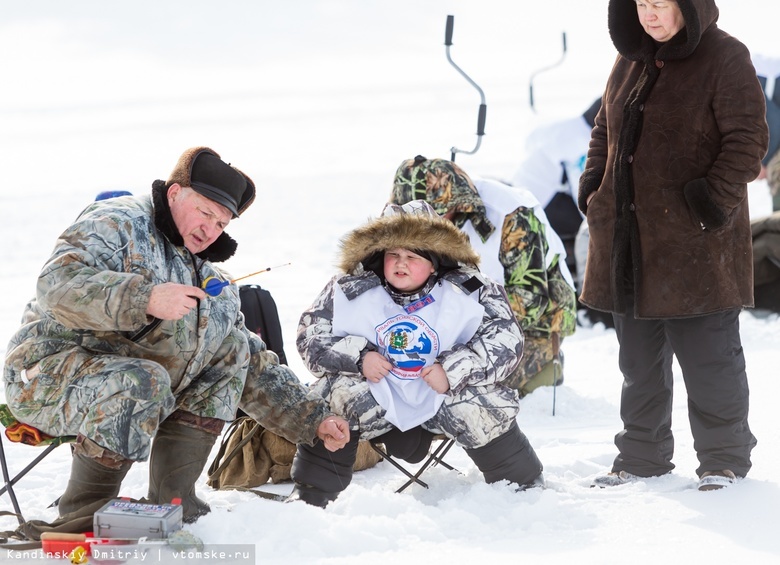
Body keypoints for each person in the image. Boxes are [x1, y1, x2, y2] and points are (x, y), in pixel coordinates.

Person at [2, 146, 350, 523]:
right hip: (43, 376)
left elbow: (250, 363)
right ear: (173, 194)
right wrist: (144, 297)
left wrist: (313, 417)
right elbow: (55, 286)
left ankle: (173, 503)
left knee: (230, 349)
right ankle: (84, 518)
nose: (209, 230)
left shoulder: (211, 278)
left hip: (130, 384)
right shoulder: (117, 223)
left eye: (221, 223)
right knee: (141, 380)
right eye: (204, 213)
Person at [578, 0, 767, 491]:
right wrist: (593, 188)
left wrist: (708, 204)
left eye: (659, 3)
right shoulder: (631, 58)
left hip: (696, 248)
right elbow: (604, 129)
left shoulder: (726, 56)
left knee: (710, 361)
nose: (648, 14)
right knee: (638, 364)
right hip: (627, 242)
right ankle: (641, 457)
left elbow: (748, 139)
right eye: (640, 4)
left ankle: (723, 461)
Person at [287, 200, 544, 507]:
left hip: (443, 400)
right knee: (332, 397)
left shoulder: (471, 289)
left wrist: (453, 371)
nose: (401, 263)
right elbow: (310, 334)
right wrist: (358, 357)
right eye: (392, 254)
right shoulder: (347, 289)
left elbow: (506, 338)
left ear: (435, 260)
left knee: (478, 401)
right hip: (374, 397)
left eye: (412, 256)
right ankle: (311, 495)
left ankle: (522, 487)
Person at [390, 157, 577, 397]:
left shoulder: (512, 214)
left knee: (469, 386)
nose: (422, 230)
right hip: (464, 306)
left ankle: (545, 365)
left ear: (456, 204)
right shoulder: (407, 210)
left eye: (431, 219)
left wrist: (462, 332)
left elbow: (530, 301)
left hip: (533, 321)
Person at [509, 97, 601, 282]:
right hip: (540, 204)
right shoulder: (584, 142)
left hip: (520, 190)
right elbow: (582, 191)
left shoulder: (566, 127)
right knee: (597, 221)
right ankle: (587, 280)